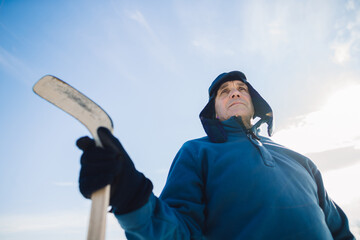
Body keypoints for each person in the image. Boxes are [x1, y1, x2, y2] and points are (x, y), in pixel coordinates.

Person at [76, 71, 355, 239]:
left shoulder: (300, 160)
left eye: (241, 89)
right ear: (215, 110)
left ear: (253, 102)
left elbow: (340, 232)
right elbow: (178, 231)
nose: (234, 93)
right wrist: (131, 195)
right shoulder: (197, 152)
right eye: (225, 92)